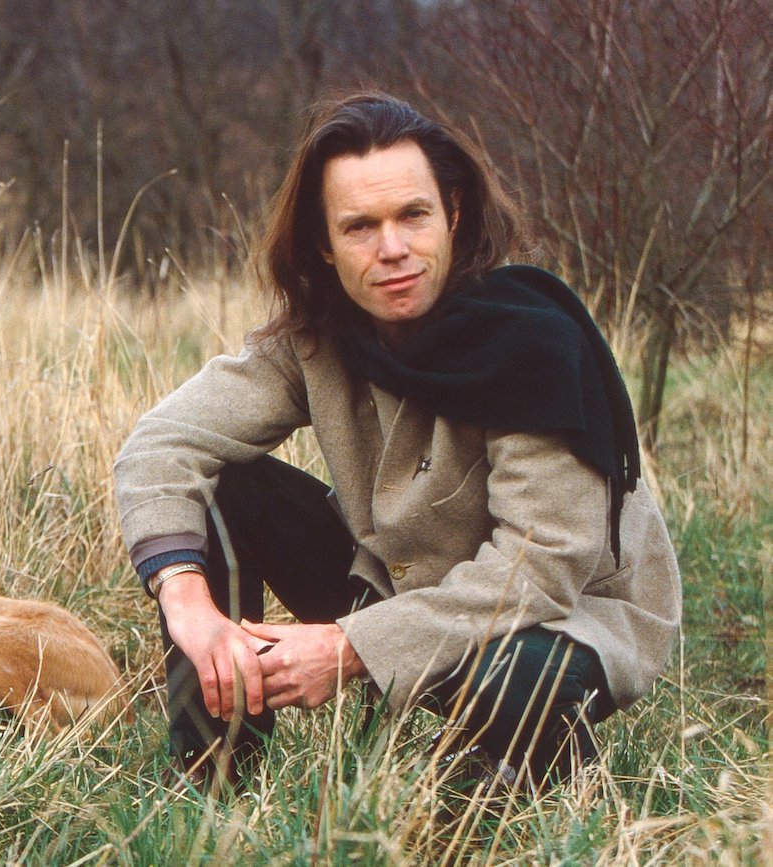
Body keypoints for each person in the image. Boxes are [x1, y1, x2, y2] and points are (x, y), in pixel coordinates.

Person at [113, 92, 681, 790]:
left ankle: (529, 771)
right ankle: (212, 776)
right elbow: (160, 444)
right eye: (359, 227)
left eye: (413, 215)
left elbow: (538, 570)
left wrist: (347, 649)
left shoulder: (530, 342)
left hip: (558, 617)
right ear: (323, 243)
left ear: (454, 213)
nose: (392, 249)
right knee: (227, 488)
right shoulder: (320, 338)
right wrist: (188, 602)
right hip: (400, 583)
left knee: (511, 683)